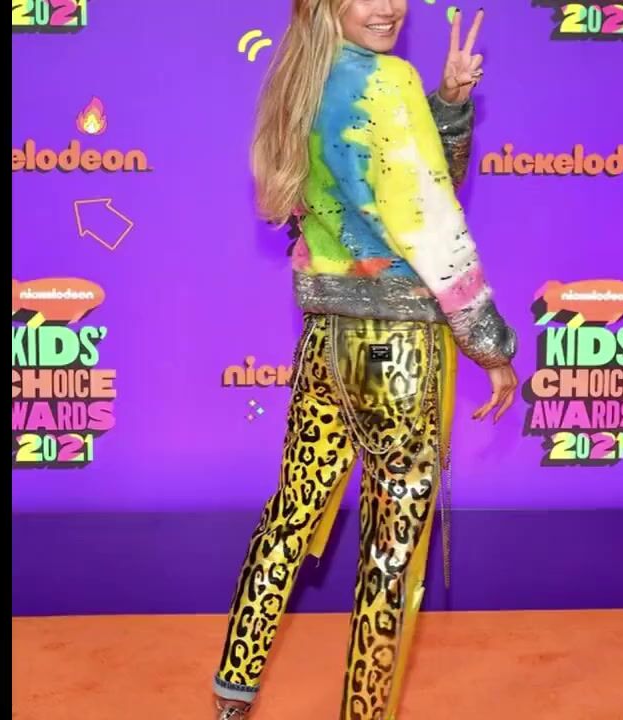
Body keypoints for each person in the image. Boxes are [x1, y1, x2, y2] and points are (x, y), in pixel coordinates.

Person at [212, 1, 518, 718]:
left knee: (291, 515)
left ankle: (232, 687)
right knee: (391, 549)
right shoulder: (386, 81)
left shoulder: (300, 79)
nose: (386, 8)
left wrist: (449, 105)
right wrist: (490, 345)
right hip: (399, 351)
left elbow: (379, 189)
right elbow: (429, 221)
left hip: (325, 339)